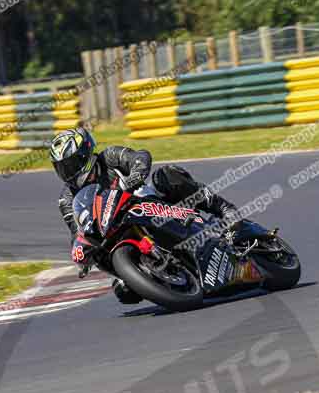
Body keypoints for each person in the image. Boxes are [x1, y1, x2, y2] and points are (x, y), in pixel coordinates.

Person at [49, 126, 240, 304]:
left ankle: (223, 208)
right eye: (62, 168)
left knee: (166, 175)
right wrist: (80, 253)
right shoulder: (66, 199)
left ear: (85, 155)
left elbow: (139, 156)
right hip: (111, 233)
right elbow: (76, 231)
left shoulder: (108, 157)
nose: (68, 172)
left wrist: (137, 173)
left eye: (71, 164)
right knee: (124, 292)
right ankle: (163, 276)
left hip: (145, 205)